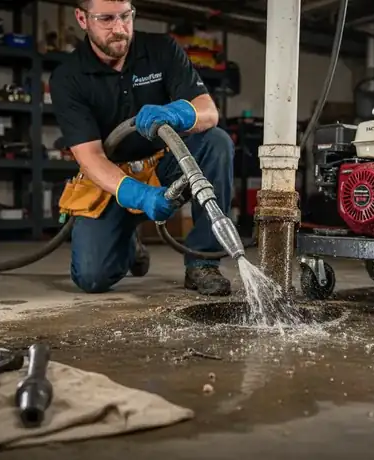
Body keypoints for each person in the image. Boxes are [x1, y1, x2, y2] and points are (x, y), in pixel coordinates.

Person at [50, 0, 235, 296]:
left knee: (217, 143)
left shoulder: (162, 50)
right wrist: (139, 195)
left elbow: (208, 112)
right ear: (82, 19)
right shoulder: (68, 78)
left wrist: (180, 114)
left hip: (165, 166)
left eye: (126, 16)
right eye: (106, 19)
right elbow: (90, 157)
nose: (120, 29)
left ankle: (203, 262)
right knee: (92, 278)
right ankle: (129, 241)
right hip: (112, 180)